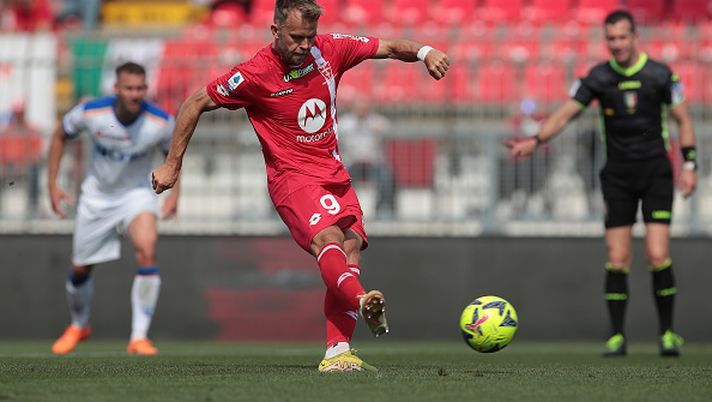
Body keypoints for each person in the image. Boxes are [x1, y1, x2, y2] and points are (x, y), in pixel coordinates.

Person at [152, 0, 449, 372]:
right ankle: (361, 301)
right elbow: (194, 102)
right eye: (295, 38)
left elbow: (387, 47)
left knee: (352, 248)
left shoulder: (329, 48)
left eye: (309, 37)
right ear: (276, 31)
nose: (303, 46)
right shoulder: (255, 73)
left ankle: (338, 353)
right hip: (292, 179)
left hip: (335, 174)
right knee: (329, 240)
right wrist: (171, 164)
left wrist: (426, 51)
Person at [506, 10, 697, 357]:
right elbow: (566, 113)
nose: (617, 44)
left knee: (657, 254)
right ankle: (617, 337)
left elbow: (683, 120)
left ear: (634, 37)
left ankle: (668, 334)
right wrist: (535, 140)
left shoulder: (661, 74)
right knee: (617, 256)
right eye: (611, 38)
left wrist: (690, 164)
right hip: (618, 176)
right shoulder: (598, 77)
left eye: (622, 37)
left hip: (656, 173)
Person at [47, 62, 179, 355]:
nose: (135, 94)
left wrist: (174, 196)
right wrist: (52, 184)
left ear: (147, 89)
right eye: (129, 88)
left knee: (147, 249)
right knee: (81, 267)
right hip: (97, 197)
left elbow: (173, 156)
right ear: (116, 89)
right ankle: (79, 325)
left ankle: (139, 337)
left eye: (140, 88)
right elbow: (59, 135)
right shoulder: (92, 113)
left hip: (137, 194)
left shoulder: (161, 122)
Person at [338, 96, 395, 217]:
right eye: (359, 107)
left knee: (386, 177)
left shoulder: (376, 121)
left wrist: (379, 130)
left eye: (364, 107)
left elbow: (388, 128)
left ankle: (383, 210)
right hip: (352, 162)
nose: (361, 110)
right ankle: (345, 210)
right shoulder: (345, 123)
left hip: (373, 162)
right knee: (341, 179)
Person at [0, 101, 43, 217]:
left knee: (34, 174)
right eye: (16, 114)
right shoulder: (7, 132)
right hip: (10, 179)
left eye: (20, 113)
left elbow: (36, 155)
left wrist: (24, 166)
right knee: (7, 182)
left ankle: (33, 207)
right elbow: (3, 155)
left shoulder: (32, 131)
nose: (18, 116)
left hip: (25, 174)